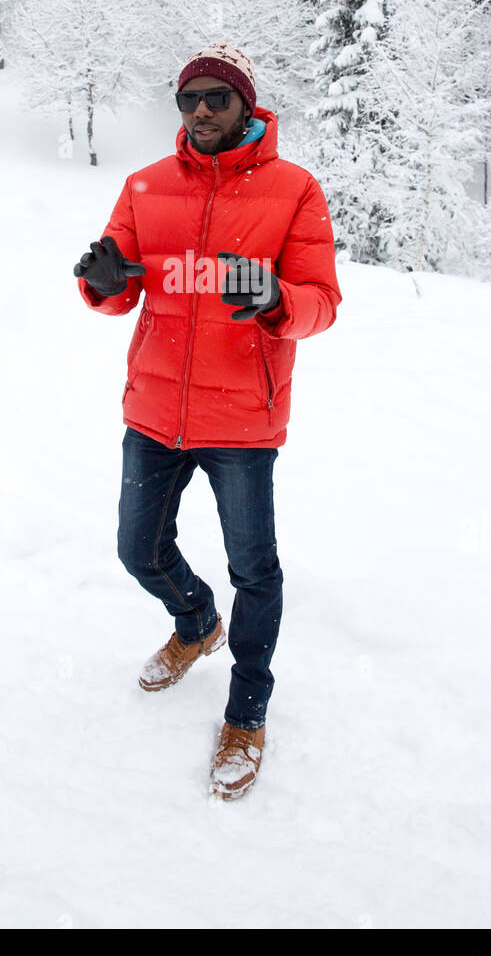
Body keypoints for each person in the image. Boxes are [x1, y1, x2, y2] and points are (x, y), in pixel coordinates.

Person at [75, 40, 341, 800]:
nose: (199, 111)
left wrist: (278, 302)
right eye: (188, 98)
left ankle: (247, 712)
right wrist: (99, 282)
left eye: (215, 99)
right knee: (137, 548)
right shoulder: (144, 185)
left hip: (242, 421)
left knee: (255, 569)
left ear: (246, 106)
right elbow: (120, 284)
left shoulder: (295, 191)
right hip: (155, 410)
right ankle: (195, 621)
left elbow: (322, 301)